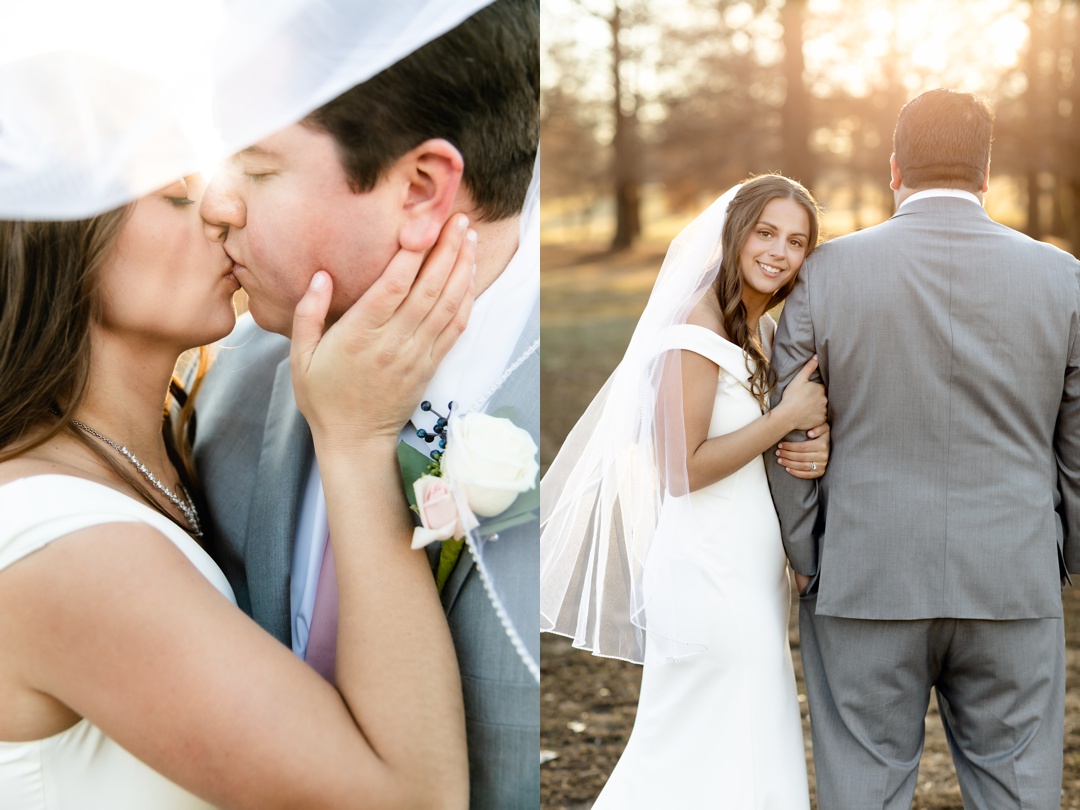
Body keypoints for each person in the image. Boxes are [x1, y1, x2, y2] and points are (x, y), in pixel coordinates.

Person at [0, 173, 477, 807]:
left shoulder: (174, 444)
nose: (225, 208)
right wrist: (357, 441)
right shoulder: (60, 550)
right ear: (49, 240)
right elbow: (411, 799)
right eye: (174, 193)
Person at [193, 1, 540, 806]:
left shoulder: (580, 414)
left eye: (257, 164)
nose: (217, 203)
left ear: (421, 187)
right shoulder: (235, 382)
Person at [766, 88, 1080, 809]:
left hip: (864, 572)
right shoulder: (1063, 279)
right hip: (1012, 575)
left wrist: (811, 556)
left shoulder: (824, 274)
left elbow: (791, 430)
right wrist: (1067, 557)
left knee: (864, 789)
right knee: (1019, 791)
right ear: (985, 173)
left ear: (895, 167)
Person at [540, 174, 829, 807]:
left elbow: (760, 453)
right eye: (766, 233)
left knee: (742, 743)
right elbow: (682, 468)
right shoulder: (693, 328)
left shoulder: (767, 333)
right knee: (688, 751)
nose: (780, 252)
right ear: (734, 234)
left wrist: (809, 444)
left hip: (751, 577)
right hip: (706, 573)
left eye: (797, 241)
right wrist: (783, 419)